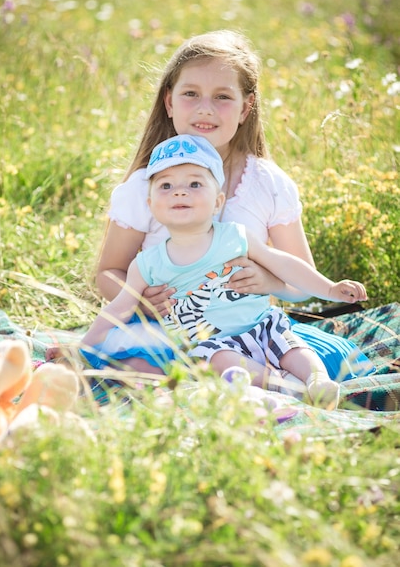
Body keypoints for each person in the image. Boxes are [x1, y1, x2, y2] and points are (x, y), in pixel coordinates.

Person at [94, 29, 374, 383]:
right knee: (139, 369)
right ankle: (257, 385)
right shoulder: (147, 187)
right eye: (190, 94)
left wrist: (269, 281)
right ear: (169, 102)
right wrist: (142, 301)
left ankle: (270, 381)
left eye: (222, 96)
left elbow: (301, 282)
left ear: (246, 107)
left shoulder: (267, 184)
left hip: (247, 331)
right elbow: (108, 272)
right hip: (173, 331)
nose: (205, 108)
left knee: (336, 361)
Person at [81, 134, 368, 409]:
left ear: (218, 202)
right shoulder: (147, 264)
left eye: (194, 184)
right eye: (166, 186)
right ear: (151, 205)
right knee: (213, 360)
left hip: (260, 323)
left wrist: (330, 289)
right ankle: (284, 387)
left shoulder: (235, 236)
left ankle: (317, 379)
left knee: (292, 346)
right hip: (213, 343)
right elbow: (118, 308)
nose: (180, 191)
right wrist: (82, 348)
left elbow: (283, 262)